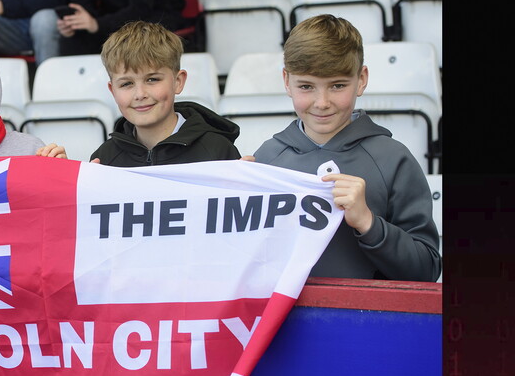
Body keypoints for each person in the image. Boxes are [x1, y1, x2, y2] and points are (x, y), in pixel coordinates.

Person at [251, 14, 441, 282]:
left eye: (337, 85)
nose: (322, 102)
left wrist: (368, 223)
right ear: (286, 81)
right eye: (306, 86)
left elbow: (426, 272)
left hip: (367, 322)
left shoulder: (393, 159)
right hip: (286, 322)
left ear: (361, 79)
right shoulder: (265, 160)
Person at [90, 21, 240, 166]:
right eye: (127, 84)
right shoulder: (103, 160)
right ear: (113, 91)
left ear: (178, 82)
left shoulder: (218, 152)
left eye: (152, 79)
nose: (140, 94)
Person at [57, 0, 186, 57]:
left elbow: (141, 7)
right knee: (72, 39)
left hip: (157, 14)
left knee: (136, 38)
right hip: (115, 18)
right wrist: (74, 24)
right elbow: (83, 3)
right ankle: (77, 90)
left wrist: (97, 25)